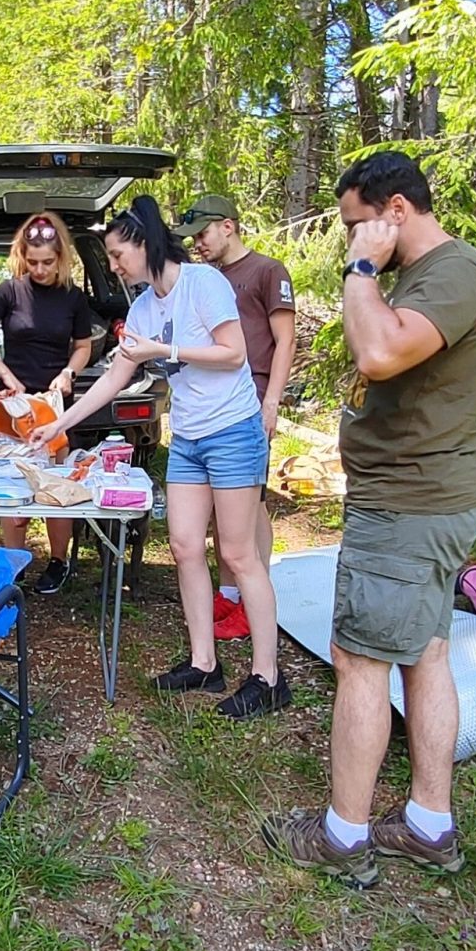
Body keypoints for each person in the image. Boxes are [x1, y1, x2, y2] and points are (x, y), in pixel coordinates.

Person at [262, 152, 476, 887]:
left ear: (396, 210)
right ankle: (429, 826)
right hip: (420, 498)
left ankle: (343, 837)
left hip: (409, 506)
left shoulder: (455, 275)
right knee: (424, 653)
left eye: (356, 223)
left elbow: (378, 352)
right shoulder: (430, 277)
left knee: (360, 660)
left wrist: (361, 269)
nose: (351, 238)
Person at [30, 195, 288, 719]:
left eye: (118, 254)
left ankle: (268, 677)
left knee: (238, 554)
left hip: (233, 431)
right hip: (189, 438)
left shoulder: (203, 282)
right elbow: (115, 378)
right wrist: (59, 423)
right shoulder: (144, 307)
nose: (115, 266)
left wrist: (163, 351)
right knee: (185, 546)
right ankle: (204, 663)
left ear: (145, 244)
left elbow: (233, 353)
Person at [174, 193, 296, 643]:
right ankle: (227, 593)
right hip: (210, 403)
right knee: (217, 509)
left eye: (203, 234)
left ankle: (251, 597)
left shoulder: (266, 271)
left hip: (251, 397)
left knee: (253, 504)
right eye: (192, 238)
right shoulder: (204, 278)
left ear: (228, 226)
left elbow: (286, 340)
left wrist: (271, 402)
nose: (198, 244)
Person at [0, 211, 98, 595]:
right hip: (13, 404)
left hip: (54, 405)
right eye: (32, 262)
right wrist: (5, 375)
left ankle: (58, 561)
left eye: (47, 262)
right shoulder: (9, 291)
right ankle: (14, 563)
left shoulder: (72, 297)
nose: (39, 269)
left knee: (55, 484)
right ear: (23, 256)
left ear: (61, 257)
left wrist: (69, 372)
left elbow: (83, 347)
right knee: (11, 483)